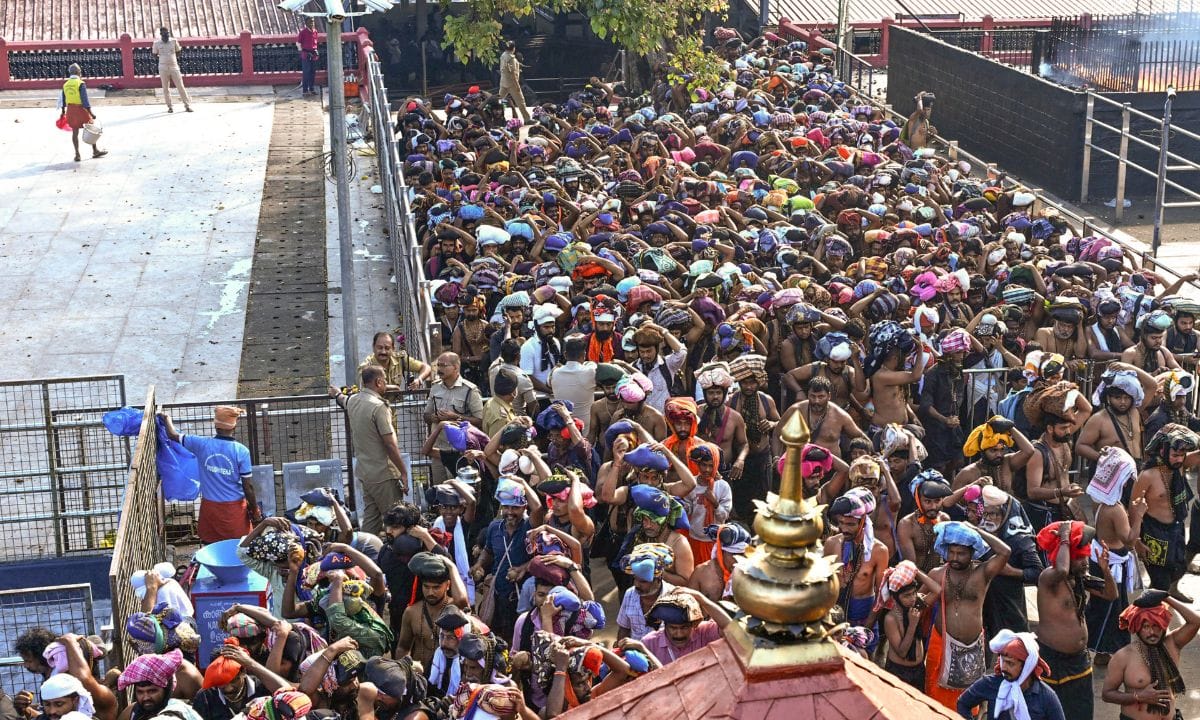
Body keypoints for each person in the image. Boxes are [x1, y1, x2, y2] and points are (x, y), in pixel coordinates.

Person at [925, 521, 1011, 711]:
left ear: (972, 553)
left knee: (968, 700)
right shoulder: (937, 574)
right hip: (941, 643)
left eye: (961, 553)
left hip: (972, 647)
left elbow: (1005, 552)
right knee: (934, 699)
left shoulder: (983, 573)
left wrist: (977, 531)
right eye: (951, 552)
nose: (954, 558)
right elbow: (920, 602)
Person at [1034, 521, 1116, 720]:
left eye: (1086, 556)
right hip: (1052, 660)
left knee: (1081, 711)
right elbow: (1062, 570)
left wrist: (1105, 570)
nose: (1085, 562)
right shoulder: (1049, 578)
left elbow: (1110, 594)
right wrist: (1064, 536)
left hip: (1079, 660)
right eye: (1079, 558)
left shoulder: (1079, 579)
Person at [160, 406, 258, 543]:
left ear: (215, 426)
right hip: (234, 510)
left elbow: (172, 435)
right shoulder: (241, 451)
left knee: (211, 546)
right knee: (239, 547)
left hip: (210, 509)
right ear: (234, 427)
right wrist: (255, 510)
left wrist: (166, 419)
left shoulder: (201, 444)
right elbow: (248, 487)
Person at [1101, 590, 1200, 720]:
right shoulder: (1123, 656)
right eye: (1145, 626)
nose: (1151, 632)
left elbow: (1195, 621)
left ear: (1163, 626)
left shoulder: (1172, 644)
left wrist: (1167, 598)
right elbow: (1107, 694)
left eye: (1156, 625)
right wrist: (1138, 696)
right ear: (1137, 628)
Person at [1131, 424, 1199, 600]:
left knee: (1178, 567)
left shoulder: (1180, 466)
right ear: (1163, 451)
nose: (1179, 459)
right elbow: (1133, 508)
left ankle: (1170, 594)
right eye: (1175, 455)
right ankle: (1147, 617)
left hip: (1176, 529)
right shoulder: (1147, 476)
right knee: (1159, 583)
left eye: (1182, 455)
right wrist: (1137, 542)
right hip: (1154, 533)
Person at [340, 366, 409, 535]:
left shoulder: (353, 401)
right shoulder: (379, 407)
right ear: (378, 381)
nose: (386, 383)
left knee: (371, 519)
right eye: (384, 380)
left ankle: (364, 552)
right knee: (396, 521)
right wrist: (403, 472)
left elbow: (342, 399)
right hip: (383, 474)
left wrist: (336, 393)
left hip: (365, 473)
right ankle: (397, 556)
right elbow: (390, 444)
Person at [956, 630, 1064, 720]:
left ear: (1027, 667)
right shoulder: (991, 684)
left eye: (1010, 664)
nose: (1004, 668)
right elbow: (963, 703)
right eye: (1004, 661)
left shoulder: (1046, 696)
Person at [877, 560, 940, 690]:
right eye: (906, 596)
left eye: (913, 593)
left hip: (918, 669)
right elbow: (902, 652)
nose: (912, 598)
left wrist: (915, 571)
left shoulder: (916, 606)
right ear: (895, 597)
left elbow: (937, 590)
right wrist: (912, 625)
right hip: (899, 672)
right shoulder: (891, 619)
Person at [639, 587, 729, 666]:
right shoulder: (649, 644)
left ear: (693, 624)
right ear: (665, 625)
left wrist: (700, 598)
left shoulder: (704, 632)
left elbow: (730, 629)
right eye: (673, 628)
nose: (679, 634)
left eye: (684, 627)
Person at [58, 64, 106, 162]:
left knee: (75, 132)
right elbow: (85, 101)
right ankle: (95, 150)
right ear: (78, 72)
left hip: (71, 110)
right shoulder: (80, 83)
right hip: (81, 110)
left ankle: (77, 154)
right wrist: (91, 113)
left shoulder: (65, 84)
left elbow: (63, 100)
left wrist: (63, 112)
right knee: (91, 129)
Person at [358, 331, 431, 392]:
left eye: (387, 348)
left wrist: (419, 380)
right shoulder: (366, 366)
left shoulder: (400, 359)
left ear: (393, 349)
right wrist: (394, 387)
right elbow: (365, 388)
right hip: (375, 407)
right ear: (373, 347)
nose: (383, 351)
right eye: (379, 348)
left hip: (393, 407)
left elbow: (427, 367)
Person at [152, 28, 192, 113]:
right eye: (164, 34)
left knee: (180, 86)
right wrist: (163, 58)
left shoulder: (174, 41)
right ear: (161, 34)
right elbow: (154, 55)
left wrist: (172, 58)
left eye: (167, 34)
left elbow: (178, 52)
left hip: (174, 67)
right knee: (166, 88)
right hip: (163, 67)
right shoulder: (156, 43)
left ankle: (187, 105)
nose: (166, 36)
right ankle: (170, 107)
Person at [497, 41, 531, 123]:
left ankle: (493, 115)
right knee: (520, 101)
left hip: (503, 81)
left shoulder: (503, 55)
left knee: (498, 100)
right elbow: (513, 74)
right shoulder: (511, 58)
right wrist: (517, 85)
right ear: (513, 48)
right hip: (511, 83)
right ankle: (527, 119)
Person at [296, 18, 320, 96]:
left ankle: (312, 88)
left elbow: (315, 43)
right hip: (306, 55)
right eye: (310, 22)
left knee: (313, 72)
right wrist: (302, 52)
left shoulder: (315, 31)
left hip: (313, 54)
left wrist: (316, 51)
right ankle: (305, 90)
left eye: (313, 22)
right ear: (306, 23)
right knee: (306, 72)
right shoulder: (303, 32)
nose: (312, 23)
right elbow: (298, 43)